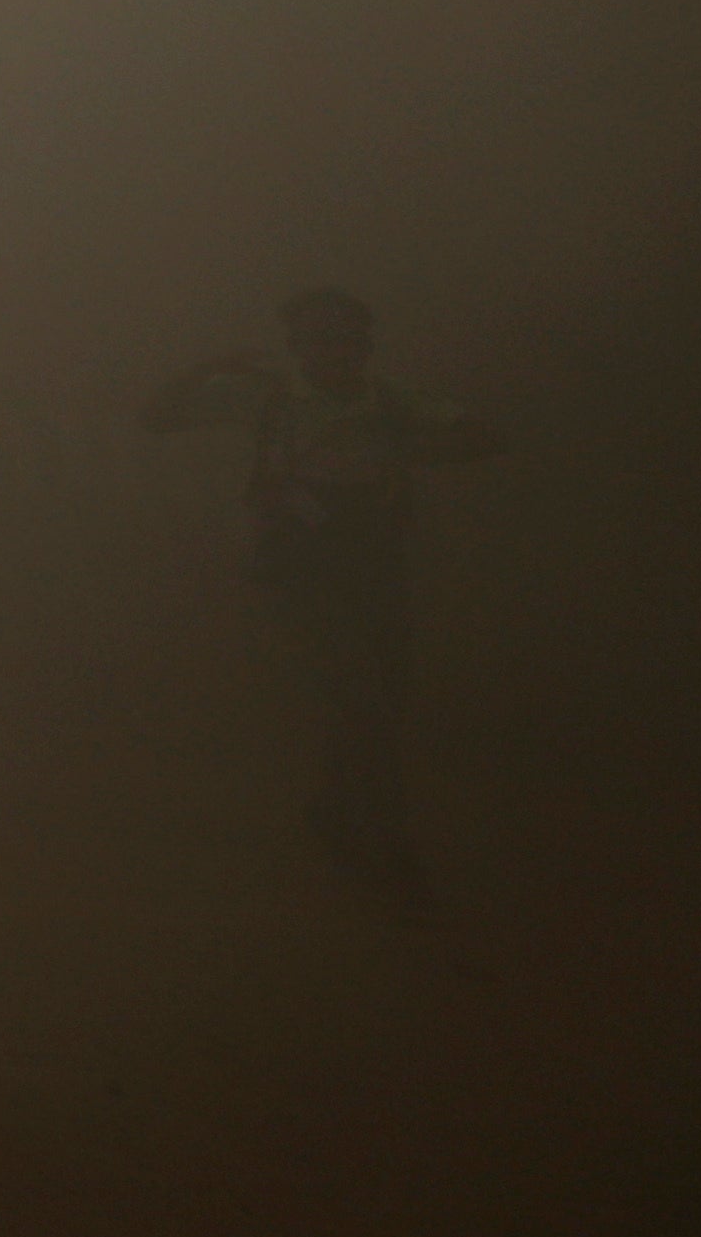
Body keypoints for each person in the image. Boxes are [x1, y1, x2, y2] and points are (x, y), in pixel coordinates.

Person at [146, 286, 497, 897]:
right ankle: (387, 845)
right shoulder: (271, 398)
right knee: (361, 699)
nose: (333, 352)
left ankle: (338, 807)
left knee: (381, 695)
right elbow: (157, 416)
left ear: (364, 346)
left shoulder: (388, 403)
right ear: (299, 348)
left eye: (344, 340)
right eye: (318, 340)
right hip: (302, 569)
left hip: (373, 566)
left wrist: (407, 451)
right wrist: (210, 369)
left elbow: (478, 435)